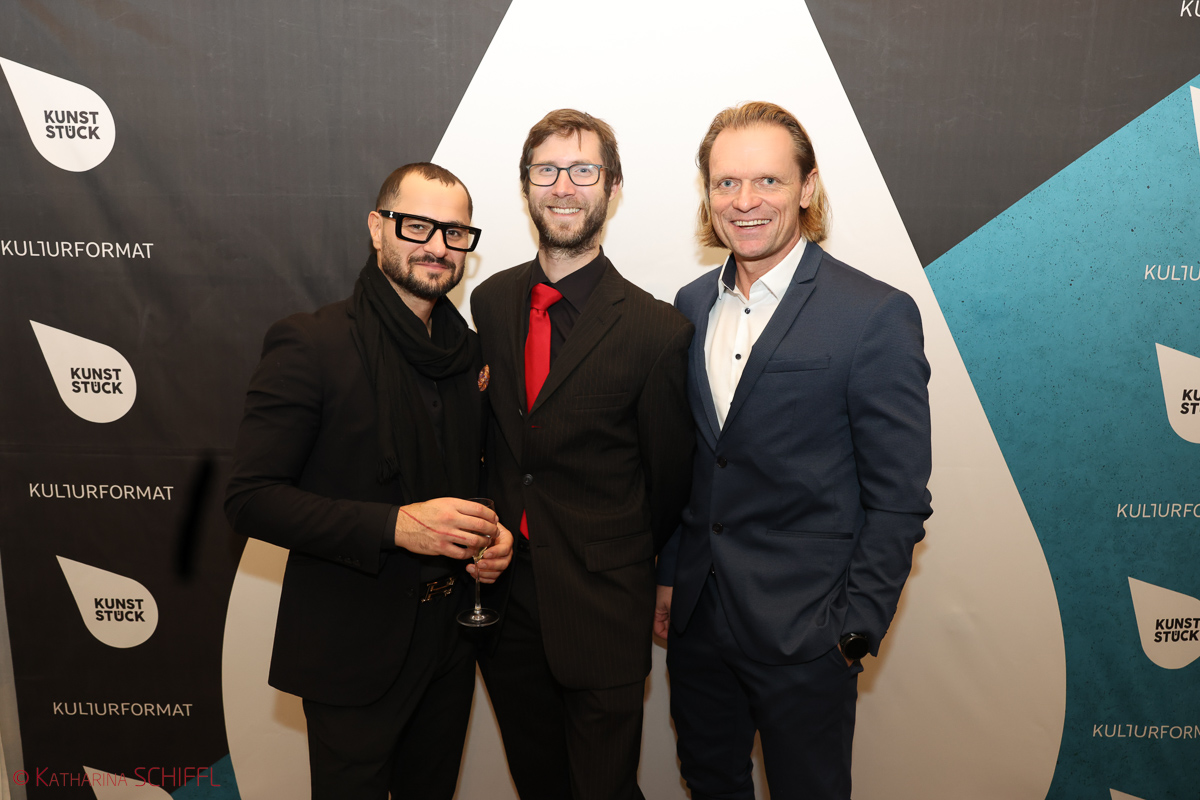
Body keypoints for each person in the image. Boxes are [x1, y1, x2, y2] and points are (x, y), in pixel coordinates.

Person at [656, 101, 933, 800]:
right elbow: (688, 465)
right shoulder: (689, 305)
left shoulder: (873, 314)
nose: (744, 201)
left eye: (768, 181)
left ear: (807, 187)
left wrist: (852, 632)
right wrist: (670, 577)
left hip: (809, 635)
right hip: (698, 626)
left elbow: (899, 499)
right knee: (708, 783)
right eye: (726, 183)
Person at [224, 162, 513, 800]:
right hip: (351, 645)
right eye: (417, 226)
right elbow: (250, 500)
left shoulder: (468, 354)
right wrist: (393, 527)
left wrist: (494, 535)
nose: (437, 246)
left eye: (455, 232)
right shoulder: (311, 344)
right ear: (377, 229)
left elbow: (473, 475)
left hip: (451, 641)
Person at [470, 109, 694, 800]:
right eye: (547, 170)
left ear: (613, 187)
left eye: (583, 170)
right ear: (526, 186)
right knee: (538, 784)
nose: (563, 186)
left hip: (604, 606)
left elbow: (668, 483)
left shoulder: (657, 330)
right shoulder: (490, 301)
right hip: (505, 605)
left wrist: (622, 556)